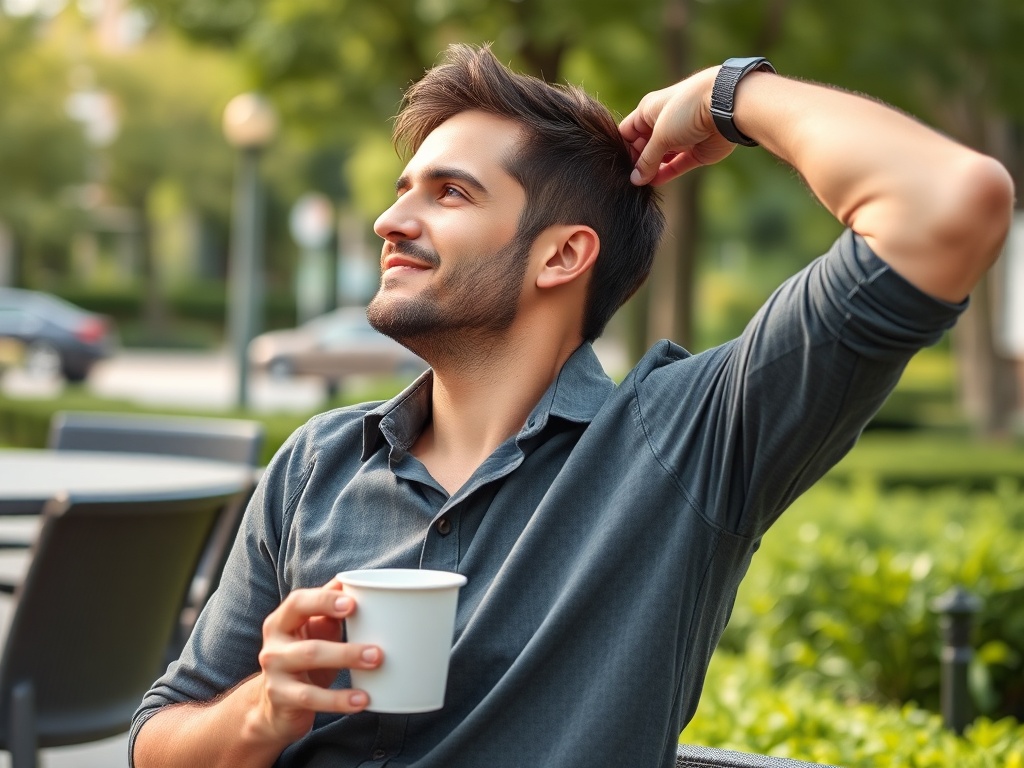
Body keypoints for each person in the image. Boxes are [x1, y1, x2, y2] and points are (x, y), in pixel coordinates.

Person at [131, 44, 1012, 768]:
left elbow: (948, 202)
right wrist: (261, 714)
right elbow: (153, 742)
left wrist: (727, 94)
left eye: (449, 192)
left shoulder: (684, 443)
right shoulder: (317, 462)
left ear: (563, 256)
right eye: (403, 189)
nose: (389, 221)